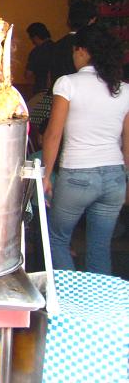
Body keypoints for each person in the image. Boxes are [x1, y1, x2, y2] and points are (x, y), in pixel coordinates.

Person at [43, 24, 129, 275]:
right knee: (100, 247)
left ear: (81, 50)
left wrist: (46, 175)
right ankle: (99, 298)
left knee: (57, 239)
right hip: (114, 176)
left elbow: (53, 134)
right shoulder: (124, 89)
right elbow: (127, 141)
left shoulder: (67, 83)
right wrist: (126, 177)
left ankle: (68, 294)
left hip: (77, 174)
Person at [49, 0, 97, 87]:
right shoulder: (94, 45)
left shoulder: (56, 45)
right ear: (92, 20)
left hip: (59, 91)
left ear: (69, 21)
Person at [25, 22, 55, 94]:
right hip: (57, 90)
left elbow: (28, 74)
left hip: (40, 90)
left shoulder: (36, 52)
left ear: (35, 37)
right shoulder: (58, 47)